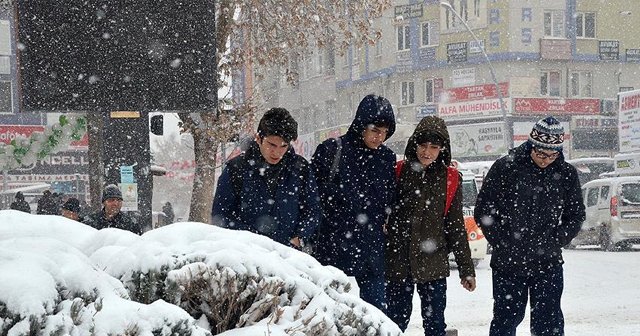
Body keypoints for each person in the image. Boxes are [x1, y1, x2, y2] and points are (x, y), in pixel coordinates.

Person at [474, 116, 585, 336]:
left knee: (549, 324)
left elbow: (576, 216)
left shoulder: (565, 174)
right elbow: (484, 210)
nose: (545, 160)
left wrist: (556, 240)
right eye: (541, 154)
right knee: (506, 321)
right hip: (508, 263)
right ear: (531, 145)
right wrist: (503, 242)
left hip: (548, 263)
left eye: (552, 155)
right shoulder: (506, 167)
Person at [385, 116, 476, 335]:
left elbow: (455, 226)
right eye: (423, 146)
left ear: (442, 149)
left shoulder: (451, 178)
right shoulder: (398, 171)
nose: (427, 152)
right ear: (413, 144)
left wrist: (466, 269)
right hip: (398, 262)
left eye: (434, 147)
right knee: (395, 323)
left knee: (435, 325)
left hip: (433, 264)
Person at [310, 94, 396, 311]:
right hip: (334, 246)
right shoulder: (332, 150)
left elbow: (389, 199)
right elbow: (312, 197)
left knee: (376, 315)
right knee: (331, 313)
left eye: (385, 132)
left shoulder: (386, 158)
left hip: (371, 249)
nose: (380, 137)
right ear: (361, 125)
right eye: (376, 130)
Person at [212, 107, 321, 249]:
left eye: (283, 146)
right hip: (249, 258)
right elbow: (221, 217)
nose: (277, 152)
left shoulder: (300, 169)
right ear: (258, 138)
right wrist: (253, 241)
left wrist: (299, 237)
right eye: (271, 144)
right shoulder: (236, 169)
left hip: (290, 256)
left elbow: (313, 210)